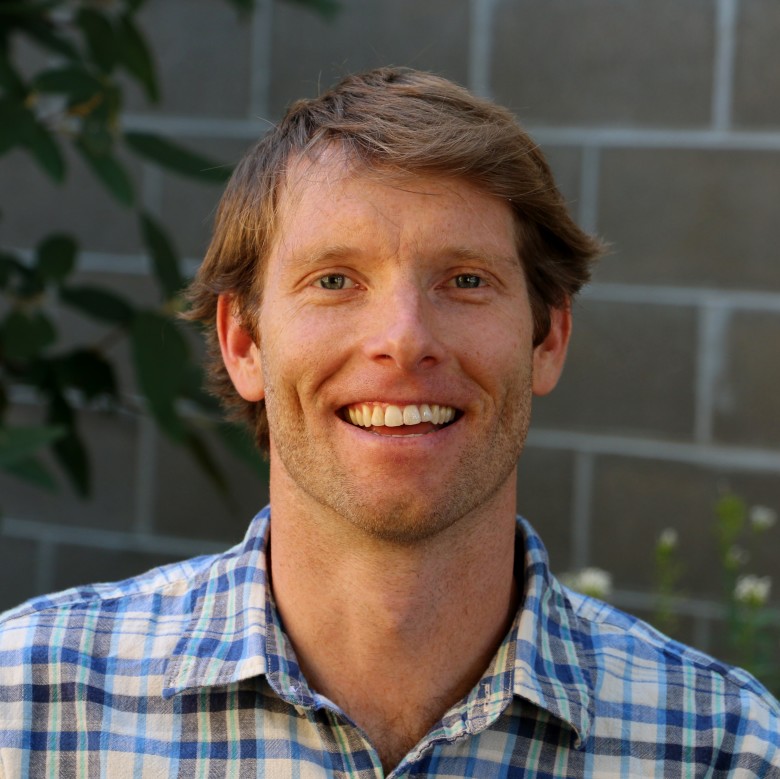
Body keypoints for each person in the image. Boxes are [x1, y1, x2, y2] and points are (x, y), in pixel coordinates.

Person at [1, 67, 778, 778]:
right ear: (244, 342)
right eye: (335, 280)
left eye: (465, 280)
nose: (404, 338)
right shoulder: (27, 710)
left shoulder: (726, 749)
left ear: (547, 339)